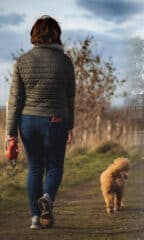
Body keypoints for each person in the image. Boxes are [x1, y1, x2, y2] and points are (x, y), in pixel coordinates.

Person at [5, 15, 75, 230]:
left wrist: (10, 133)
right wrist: (70, 125)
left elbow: (15, 99)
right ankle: (47, 197)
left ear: (34, 34)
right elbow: (70, 96)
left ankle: (36, 218)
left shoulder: (22, 61)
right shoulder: (65, 62)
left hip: (28, 122)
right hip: (55, 120)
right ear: (56, 35)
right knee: (54, 167)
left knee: (35, 168)